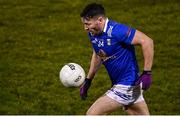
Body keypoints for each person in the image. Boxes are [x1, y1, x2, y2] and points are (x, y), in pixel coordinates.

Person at [79, 3, 154, 115]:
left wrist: (147, 72)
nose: (85, 28)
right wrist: (88, 80)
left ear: (100, 20)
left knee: (92, 114)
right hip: (125, 85)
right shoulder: (93, 33)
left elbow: (147, 41)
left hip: (127, 85)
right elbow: (98, 54)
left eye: (87, 24)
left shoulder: (117, 30)